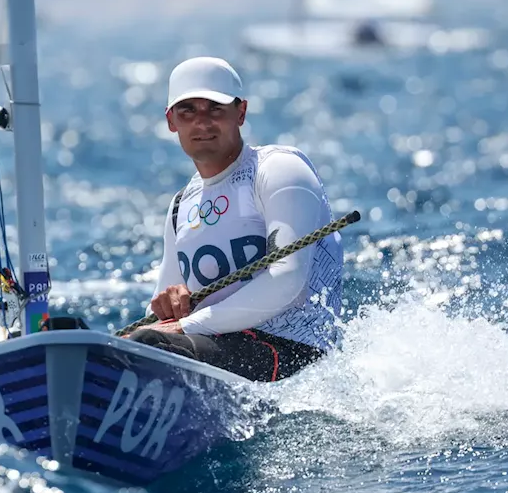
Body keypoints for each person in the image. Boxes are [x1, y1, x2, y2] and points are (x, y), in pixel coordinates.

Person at [125, 56, 344, 382]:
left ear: (240, 112)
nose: (202, 122)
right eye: (188, 111)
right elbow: (158, 319)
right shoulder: (180, 206)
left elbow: (287, 283)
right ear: (171, 121)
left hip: (296, 354)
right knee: (134, 342)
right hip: (217, 349)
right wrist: (168, 307)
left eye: (215, 108)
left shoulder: (279, 170)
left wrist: (183, 325)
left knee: (148, 344)